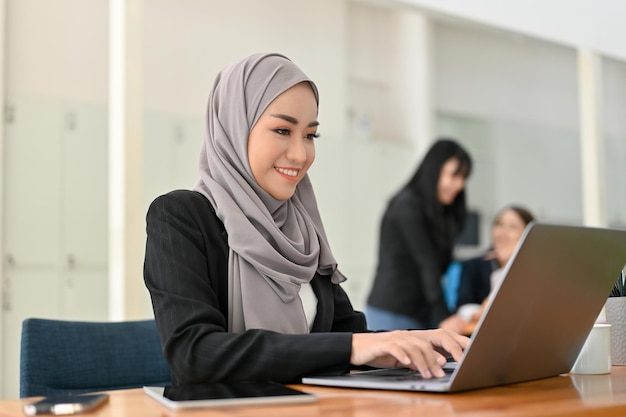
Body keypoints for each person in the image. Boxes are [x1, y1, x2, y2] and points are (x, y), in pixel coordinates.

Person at [143, 53, 468, 386]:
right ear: (235, 127)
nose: (300, 154)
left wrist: (414, 342)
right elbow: (194, 356)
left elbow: (346, 334)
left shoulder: (300, 228)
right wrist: (352, 347)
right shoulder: (180, 217)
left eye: (310, 135)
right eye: (283, 130)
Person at [365, 139, 472, 331]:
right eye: (454, 176)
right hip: (393, 313)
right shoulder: (407, 205)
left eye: (463, 178)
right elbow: (427, 263)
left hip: (421, 313)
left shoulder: (438, 211)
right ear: (434, 170)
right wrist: (444, 316)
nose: (459, 185)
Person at [440, 205, 535, 334]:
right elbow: (463, 306)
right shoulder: (473, 265)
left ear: (528, 233)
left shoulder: (532, 269)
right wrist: (480, 312)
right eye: (499, 224)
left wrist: (510, 263)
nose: (503, 232)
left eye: (513, 227)